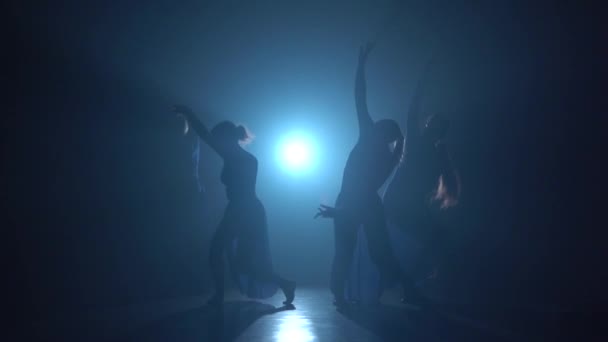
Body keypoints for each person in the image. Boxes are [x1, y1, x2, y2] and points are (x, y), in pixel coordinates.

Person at [315, 43, 423, 307]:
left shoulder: (370, 141)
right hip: (363, 203)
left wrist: (361, 65)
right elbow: (360, 99)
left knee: (350, 251)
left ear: (381, 133)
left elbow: (359, 98)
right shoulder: (389, 157)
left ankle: (341, 294)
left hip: (357, 202)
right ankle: (402, 288)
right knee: (378, 253)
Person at [173, 105, 296, 305]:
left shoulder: (239, 158)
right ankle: (284, 283)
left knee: (219, 252)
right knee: (242, 261)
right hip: (244, 209)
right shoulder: (242, 158)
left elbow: (205, 135)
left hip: (244, 210)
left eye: (219, 139)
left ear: (227, 138)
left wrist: (189, 114)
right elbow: (207, 137)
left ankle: (220, 295)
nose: (217, 143)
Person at [383, 57, 460, 297]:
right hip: (397, 205)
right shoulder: (415, 143)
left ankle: (414, 284)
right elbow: (413, 107)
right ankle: (411, 284)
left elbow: (446, 184)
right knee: (431, 240)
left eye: (435, 126)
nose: (430, 126)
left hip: (408, 206)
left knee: (436, 240)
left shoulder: (437, 153)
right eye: (431, 124)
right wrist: (424, 76)